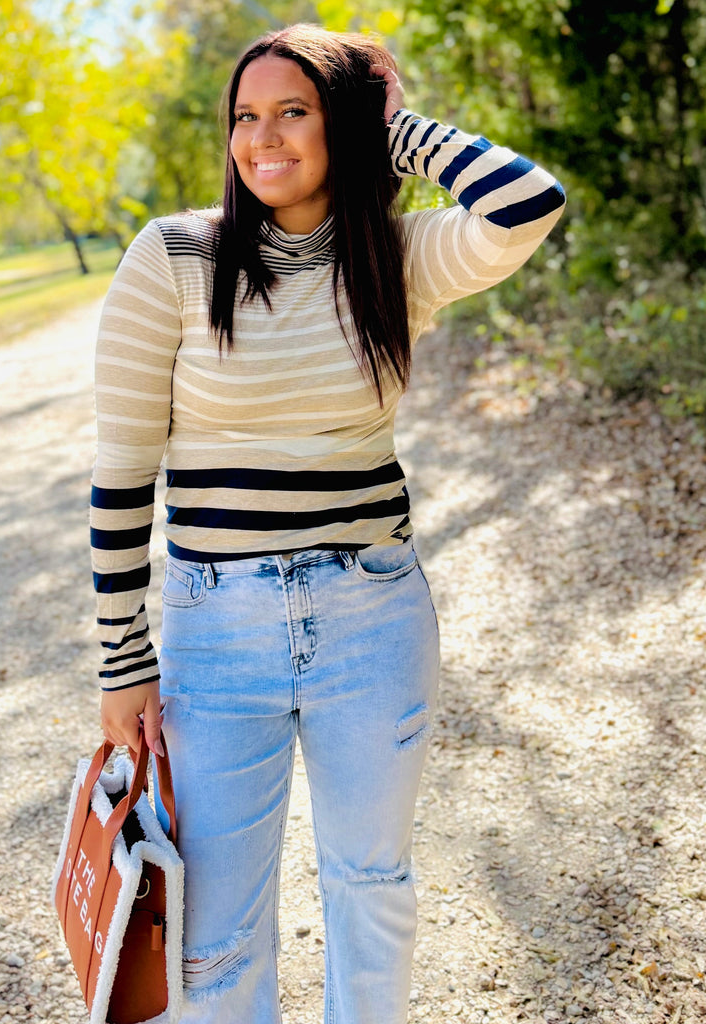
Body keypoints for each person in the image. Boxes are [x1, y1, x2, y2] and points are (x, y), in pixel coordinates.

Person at [92, 22, 565, 1024]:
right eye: (245, 116)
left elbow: (530, 203)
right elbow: (123, 476)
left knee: (372, 886)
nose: (262, 137)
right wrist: (121, 659)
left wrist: (394, 131)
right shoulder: (174, 256)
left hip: (374, 616)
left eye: (294, 112)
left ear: (342, 125)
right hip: (218, 633)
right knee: (213, 933)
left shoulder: (398, 257)